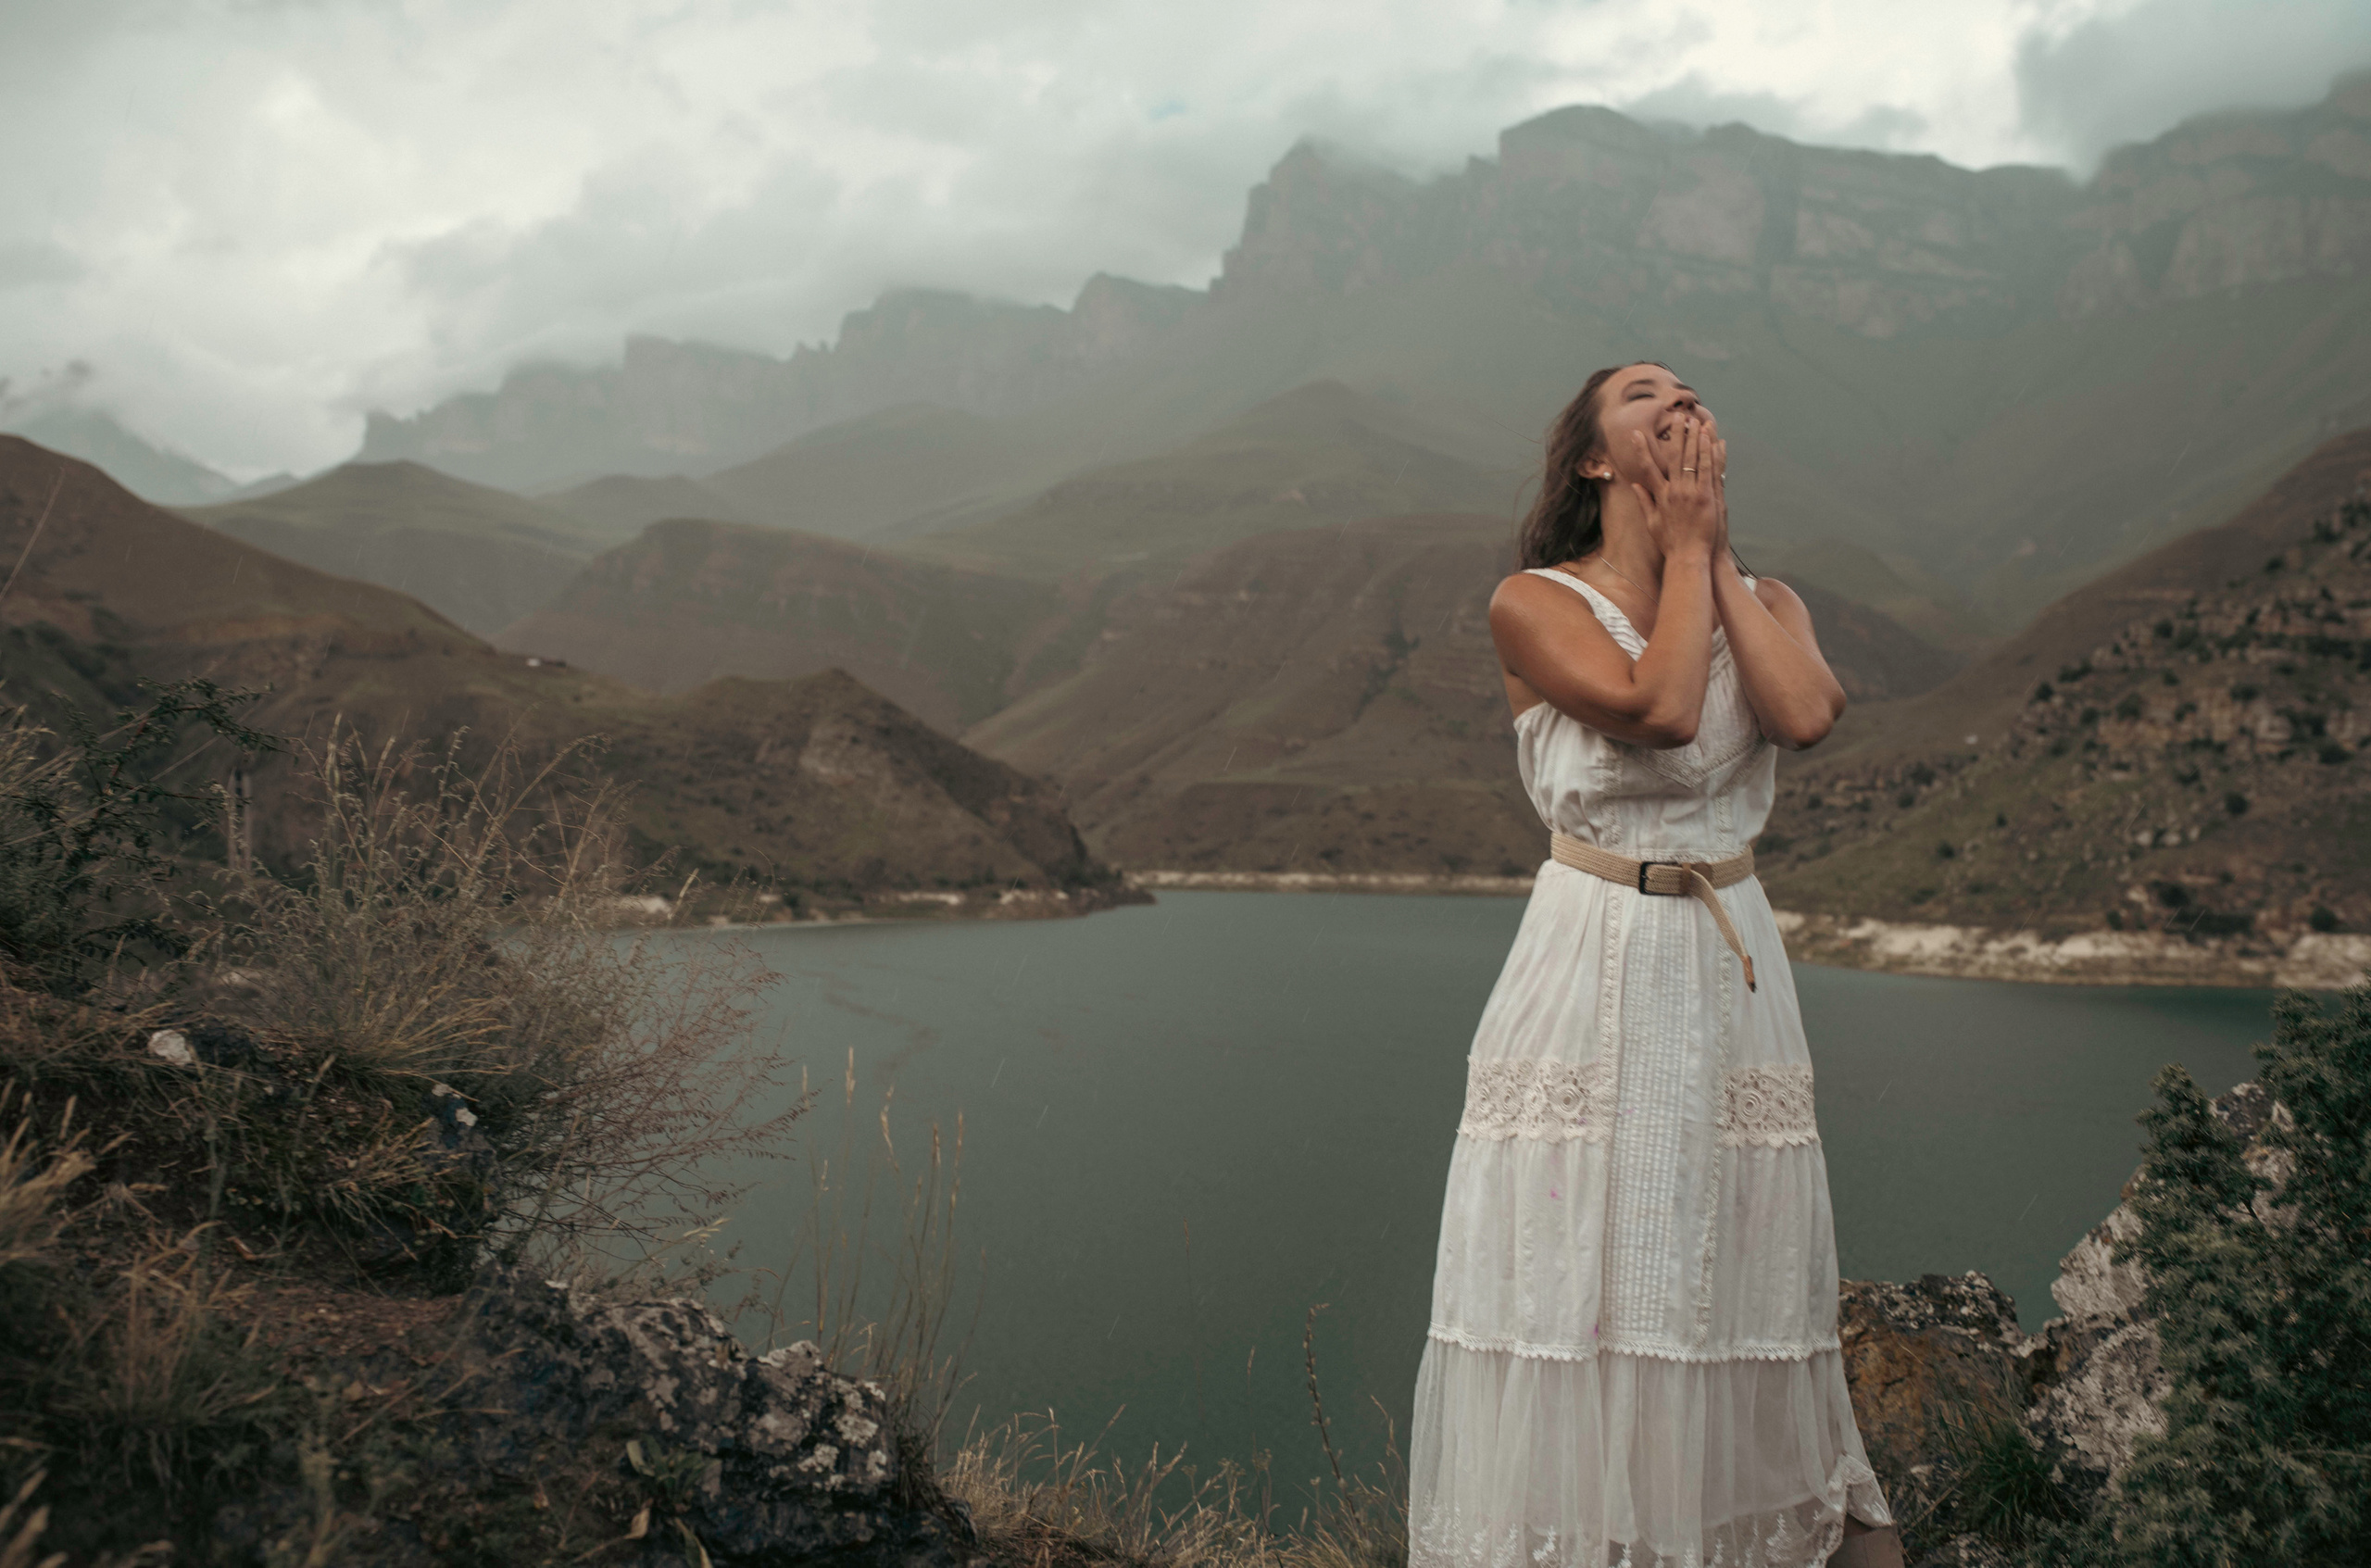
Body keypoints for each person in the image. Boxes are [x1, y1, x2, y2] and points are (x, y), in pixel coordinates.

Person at [1406, 362, 1902, 1568]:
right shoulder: (1533, 602)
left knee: (1736, 1258)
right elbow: (1664, 706)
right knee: (1583, 1273)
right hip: (1590, 962)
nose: (1678, 402)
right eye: (1642, 394)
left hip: (1730, 968)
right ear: (1590, 456)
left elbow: (1806, 713)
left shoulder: (1761, 593)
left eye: (1691, 391)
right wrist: (1684, 553)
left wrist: (1717, 554)